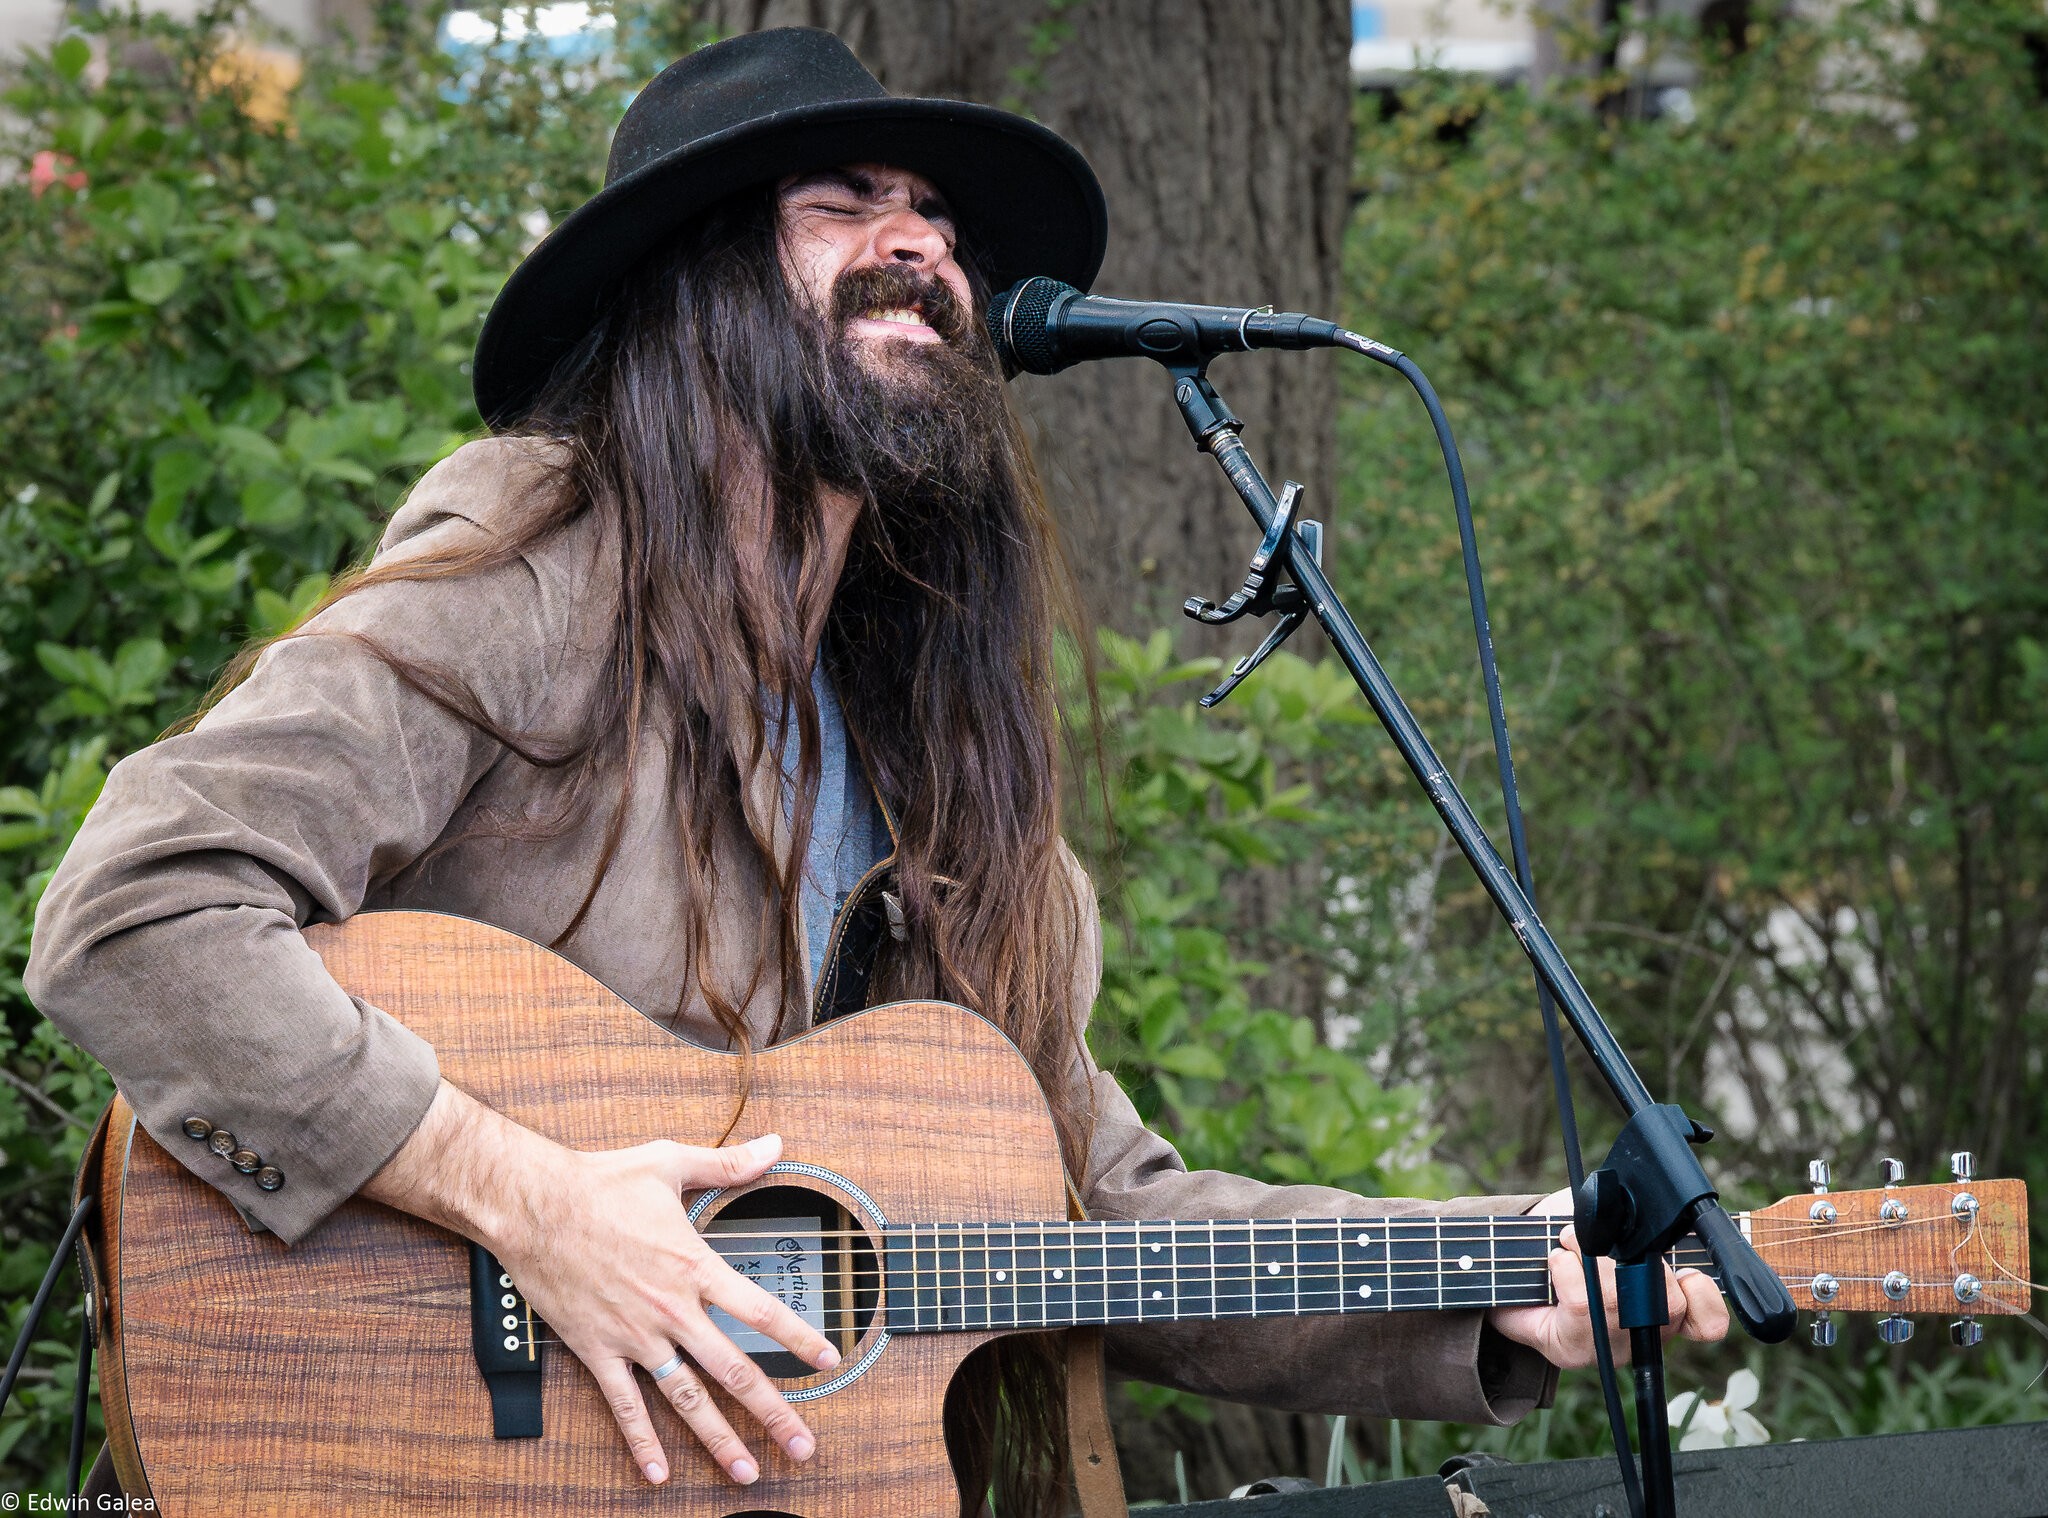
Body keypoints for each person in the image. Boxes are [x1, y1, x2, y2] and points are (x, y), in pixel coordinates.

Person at [25, 27, 1726, 1511]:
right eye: (843, 203)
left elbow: (1098, 1206)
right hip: (383, 1440)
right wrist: (535, 1203)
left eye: (935, 218)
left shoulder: (941, 761)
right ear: (691, 284)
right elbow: (134, 907)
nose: (921, 241)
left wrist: (1498, 1274)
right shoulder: (542, 575)